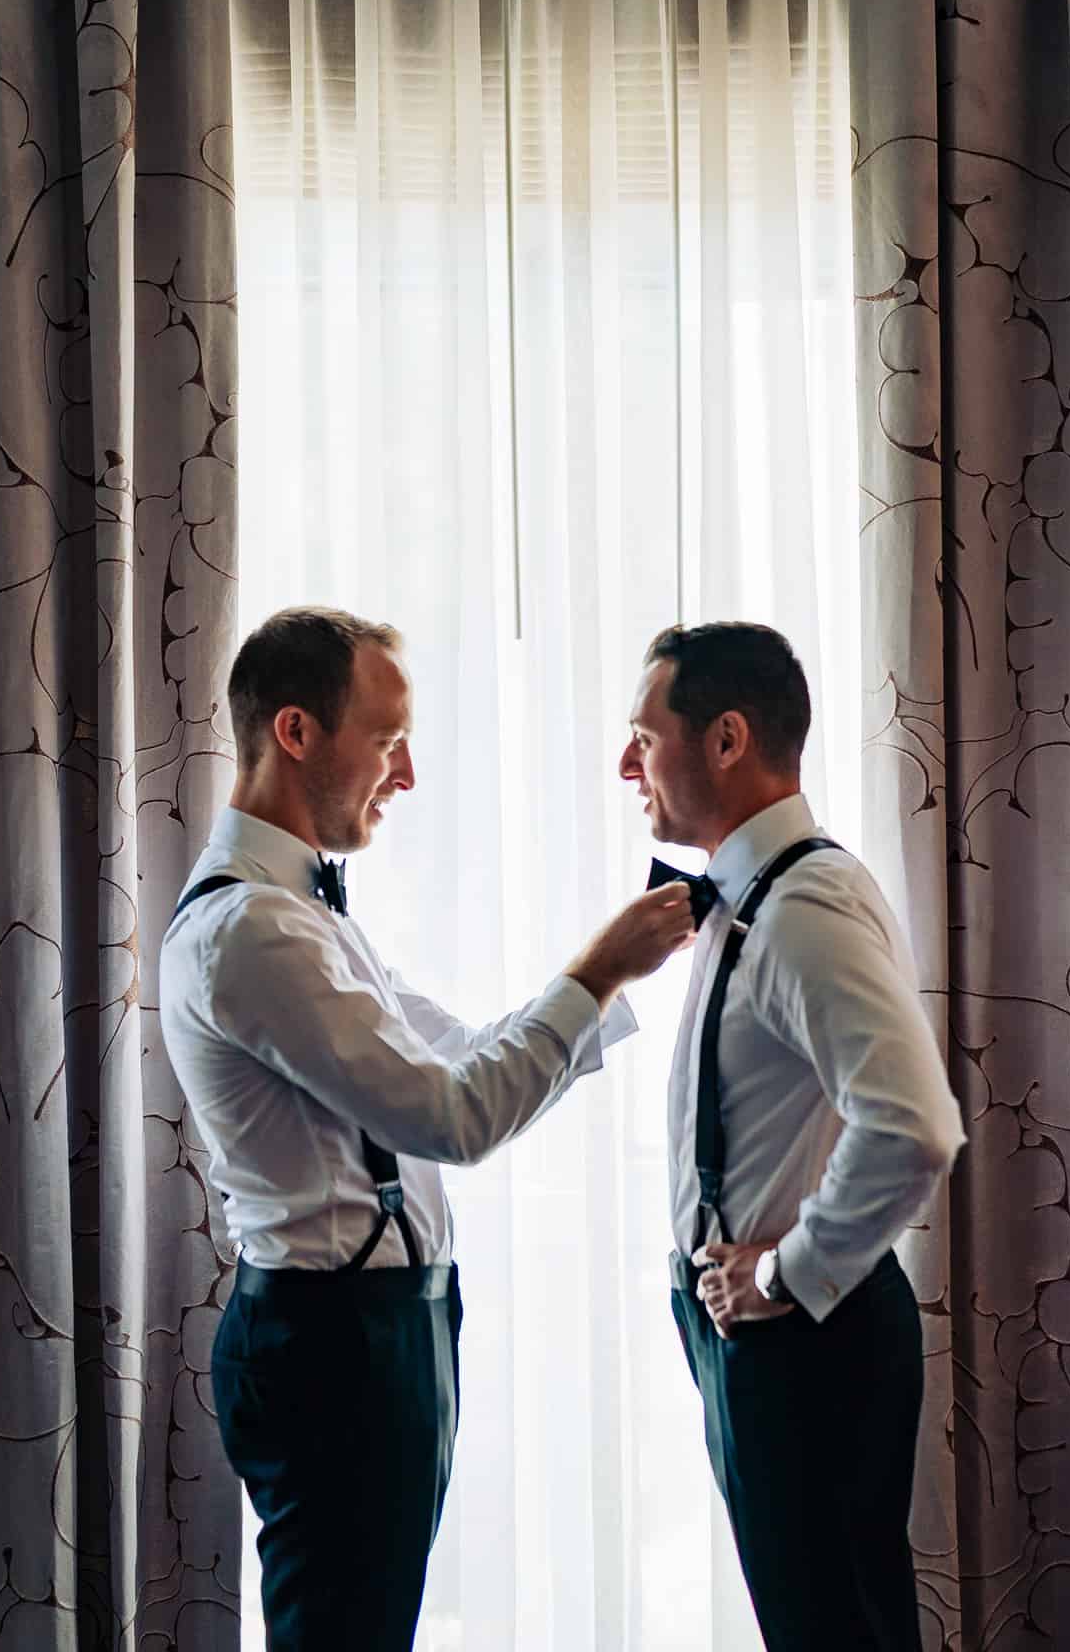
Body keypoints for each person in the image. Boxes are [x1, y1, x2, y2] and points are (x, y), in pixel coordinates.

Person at [159, 607, 693, 1651]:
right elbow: (449, 1116)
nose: (403, 778)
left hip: (384, 1324)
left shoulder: (303, 915)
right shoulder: (251, 929)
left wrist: (604, 985)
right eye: (388, 741)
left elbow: (459, 1056)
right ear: (297, 732)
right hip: (330, 1338)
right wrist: (599, 969)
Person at [620, 622, 965, 1652]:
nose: (626, 762)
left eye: (644, 735)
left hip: (806, 1335)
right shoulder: (746, 898)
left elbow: (912, 1124)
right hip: (756, 1331)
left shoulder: (805, 903)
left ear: (725, 738)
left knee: (834, 1627)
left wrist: (783, 1272)